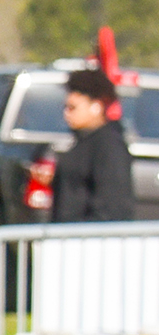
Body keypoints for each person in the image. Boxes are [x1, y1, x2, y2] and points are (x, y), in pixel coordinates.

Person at [53, 68, 135, 224]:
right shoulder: (82, 142)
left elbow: (113, 206)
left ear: (96, 106)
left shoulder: (109, 146)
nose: (66, 114)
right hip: (67, 238)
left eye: (72, 108)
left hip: (91, 241)